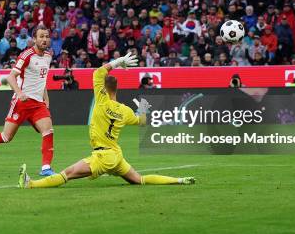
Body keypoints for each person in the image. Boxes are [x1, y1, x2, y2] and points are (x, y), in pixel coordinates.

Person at [18, 52, 195, 188]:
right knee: (139, 179)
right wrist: (143, 108)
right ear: (117, 89)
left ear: (104, 88)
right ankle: (179, 180)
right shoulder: (124, 111)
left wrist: (117, 62)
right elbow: (142, 121)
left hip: (102, 156)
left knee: (68, 173)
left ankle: (30, 184)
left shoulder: (101, 100)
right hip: (116, 156)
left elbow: (98, 72)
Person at [0, 26, 56, 176]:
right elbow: (10, 77)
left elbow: (42, 79)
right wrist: (19, 94)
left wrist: (46, 97)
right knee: (6, 137)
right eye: (41, 36)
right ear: (34, 39)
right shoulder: (26, 55)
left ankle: (46, 168)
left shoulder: (48, 56)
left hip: (38, 104)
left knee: (48, 131)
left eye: (47, 36)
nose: (44, 39)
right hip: (22, 103)